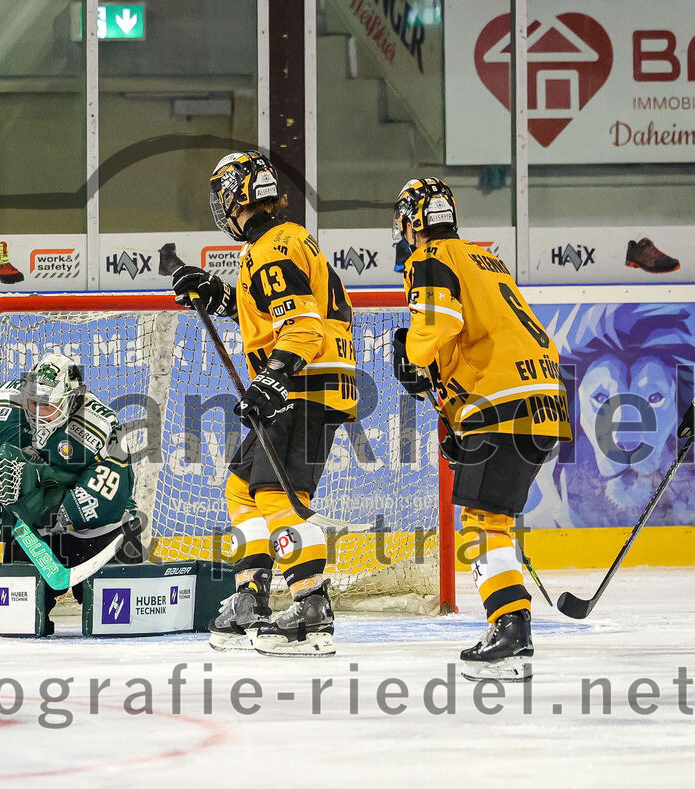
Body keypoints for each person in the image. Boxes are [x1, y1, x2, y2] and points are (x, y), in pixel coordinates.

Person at [171, 150, 357, 656]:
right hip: (303, 384)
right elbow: (276, 313)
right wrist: (220, 295)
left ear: (238, 196)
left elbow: (302, 326)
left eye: (223, 197)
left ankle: (311, 606)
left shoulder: (275, 247)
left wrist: (274, 377)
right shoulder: (278, 243)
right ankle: (251, 598)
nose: (221, 207)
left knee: (278, 497)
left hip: (302, 388)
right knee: (241, 488)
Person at [390, 177, 573, 681]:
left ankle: (510, 629)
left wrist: (408, 353)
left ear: (413, 222)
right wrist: (455, 415)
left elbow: (438, 329)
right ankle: (513, 627)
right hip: (542, 400)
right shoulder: (484, 258)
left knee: (480, 524)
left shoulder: (430, 258)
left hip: (502, 402)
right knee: (491, 521)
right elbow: (477, 336)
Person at [0, 352, 143, 629]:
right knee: (19, 623)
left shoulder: (102, 426)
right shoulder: (2, 407)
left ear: (72, 400)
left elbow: (105, 502)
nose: (38, 414)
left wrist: (35, 494)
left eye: (49, 406)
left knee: (117, 623)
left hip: (101, 533)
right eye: (33, 403)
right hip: (34, 535)